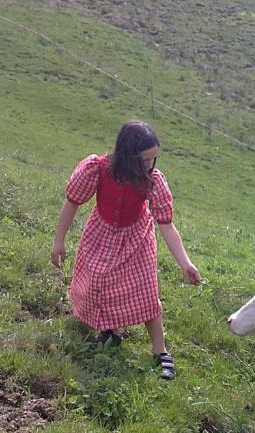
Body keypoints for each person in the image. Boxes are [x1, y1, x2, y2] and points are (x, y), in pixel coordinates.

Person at [51, 120, 201, 380]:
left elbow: (166, 226)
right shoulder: (97, 169)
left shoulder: (152, 180)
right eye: (145, 160)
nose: (150, 166)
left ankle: (160, 351)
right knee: (99, 280)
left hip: (136, 237)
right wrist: (59, 241)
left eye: (153, 159)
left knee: (144, 290)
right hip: (101, 231)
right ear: (127, 156)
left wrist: (185, 263)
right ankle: (112, 331)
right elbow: (71, 204)